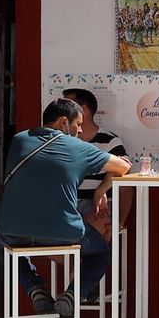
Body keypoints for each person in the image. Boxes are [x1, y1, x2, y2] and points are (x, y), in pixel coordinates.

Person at [0, 98, 130, 318]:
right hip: (61, 233)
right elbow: (123, 166)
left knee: (2, 242)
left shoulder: (19, 140)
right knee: (100, 253)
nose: (79, 131)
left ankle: (34, 287)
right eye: (78, 125)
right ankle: (73, 294)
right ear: (63, 122)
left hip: (12, 231)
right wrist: (101, 190)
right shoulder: (79, 147)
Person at [61, 87, 133, 292]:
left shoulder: (109, 141)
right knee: (82, 230)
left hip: (97, 208)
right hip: (69, 209)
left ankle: (76, 290)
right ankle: (81, 289)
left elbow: (124, 170)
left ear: (83, 110)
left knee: (98, 221)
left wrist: (101, 192)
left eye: (68, 105)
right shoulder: (63, 143)